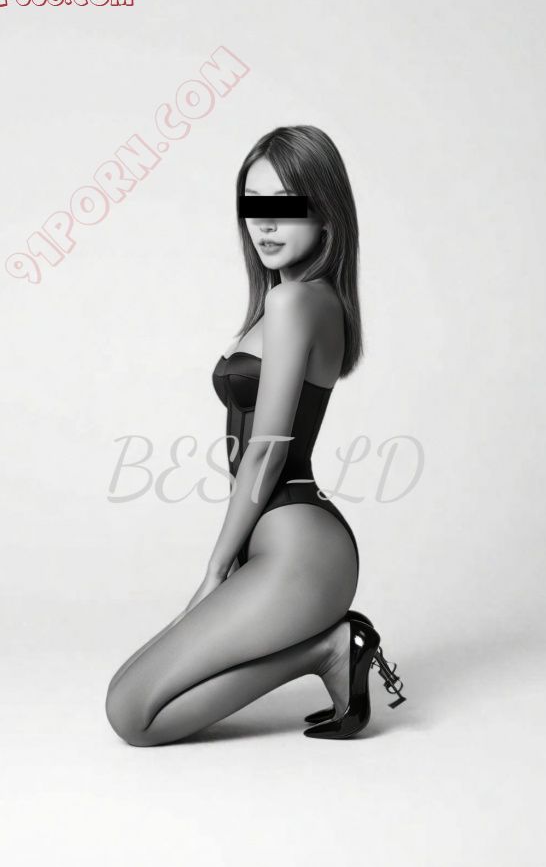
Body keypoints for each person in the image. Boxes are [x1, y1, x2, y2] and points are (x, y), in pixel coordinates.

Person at [105, 125, 405, 745]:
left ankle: (329, 649)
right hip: (279, 543)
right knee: (127, 693)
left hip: (300, 550)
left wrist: (215, 568)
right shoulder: (292, 300)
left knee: (134, 717)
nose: (265, 223)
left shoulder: (298, 302)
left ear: (326, 213)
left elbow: (266, 451)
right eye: (254, 205)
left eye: (286, 206)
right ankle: (328, 646)